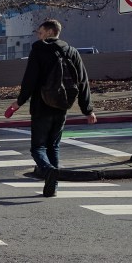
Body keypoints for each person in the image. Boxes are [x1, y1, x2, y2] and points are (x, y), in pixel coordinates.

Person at [7, 19, 97, 197]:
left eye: (40, 32)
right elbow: (83, 81)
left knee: (38, 148)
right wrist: (88, 109)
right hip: (62, 107)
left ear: (49, 32)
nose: (38, 36)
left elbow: (30, 80)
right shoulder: (72, 52)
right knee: (53, 147)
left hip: (42, 107)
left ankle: (48, 171)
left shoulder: (39, 50)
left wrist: (19, 102)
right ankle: (52, 187)